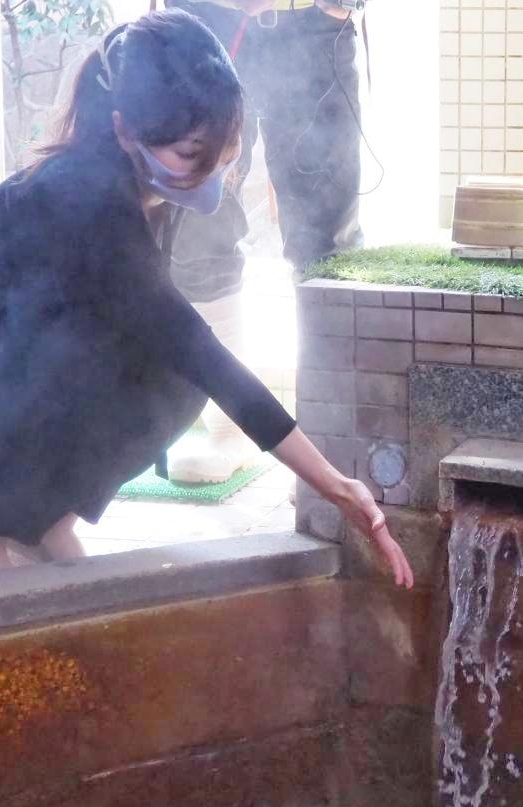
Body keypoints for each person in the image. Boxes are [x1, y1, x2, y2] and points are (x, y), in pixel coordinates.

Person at [0, 10, 412, 587]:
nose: (211, 170)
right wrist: (336, 486)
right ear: (122, 129)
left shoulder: (146, 187)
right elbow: (197, 349)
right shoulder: (84, 201)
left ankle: (34, 518)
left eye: (223, 149)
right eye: (191, 154)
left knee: (164, 381)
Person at [160, 0, 366, 484]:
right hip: (208, 20)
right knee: (198, 231)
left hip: (313, 21)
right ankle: (229, 427)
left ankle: (329, 442)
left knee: (326, 244)